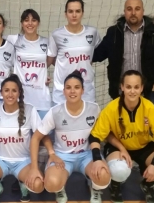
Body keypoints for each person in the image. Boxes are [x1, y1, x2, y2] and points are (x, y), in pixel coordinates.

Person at [89, 70, 154, 203]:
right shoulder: (111, 108)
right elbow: (95, 137)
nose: (132, 91)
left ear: (142, 88)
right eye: (128, 87)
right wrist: (96, 159)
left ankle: (147, 184)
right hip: (119, 149)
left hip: (144, 147)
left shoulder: (148, 107)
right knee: (119, 171)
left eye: (136, 87)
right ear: (122, 87)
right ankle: (115, 186)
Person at [25, 70, 110, 203]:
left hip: (87, 155)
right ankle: (60, 188)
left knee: (103, 176)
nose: (72, 91)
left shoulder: (94, 109)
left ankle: (93, 186)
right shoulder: (55, 112)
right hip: (63, 157)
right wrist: (36, 167)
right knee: (51, 183)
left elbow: (104, 133)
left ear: (83, 90)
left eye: (77, 87)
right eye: (68, 88)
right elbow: (36, 138)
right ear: (63, 91)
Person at [92, 0, 154, 106]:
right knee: (121, 123)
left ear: (143, 11)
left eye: (137, 9)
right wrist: (79, 46)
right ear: (124, 11)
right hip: (121, 92)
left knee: (145, 123)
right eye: (129, 9)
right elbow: (98, 55)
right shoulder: (114, 33)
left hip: (147, 92)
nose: (133, 12)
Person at [0, 74, 45, 203]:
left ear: (19, 93)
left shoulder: (30, 110)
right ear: (1, 92)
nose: (10, 94)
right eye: (6, 90)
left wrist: (49, 154)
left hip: (23, 161)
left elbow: (41, 135)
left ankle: (23, 183)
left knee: (38, 185)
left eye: (14, 90)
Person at [0, 9, 51, 119]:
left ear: (38, 23)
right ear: (21, 23)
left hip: (42, 98)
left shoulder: (47, 42)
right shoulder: (14, 40)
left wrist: (43, 74)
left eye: (34, 20)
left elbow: (52, 60)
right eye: (26, 20)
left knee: (44, 135)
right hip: (20, 97)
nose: (30, 23)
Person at [47, 0, 101, 105]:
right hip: (62, 91)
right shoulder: (57, 34)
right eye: (70, 11)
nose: (74, 15)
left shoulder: (92, 32)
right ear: (65, 14)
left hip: (86, 90)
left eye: (77, 11)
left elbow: (93, 54)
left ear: (83, 13)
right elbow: (50, 59)